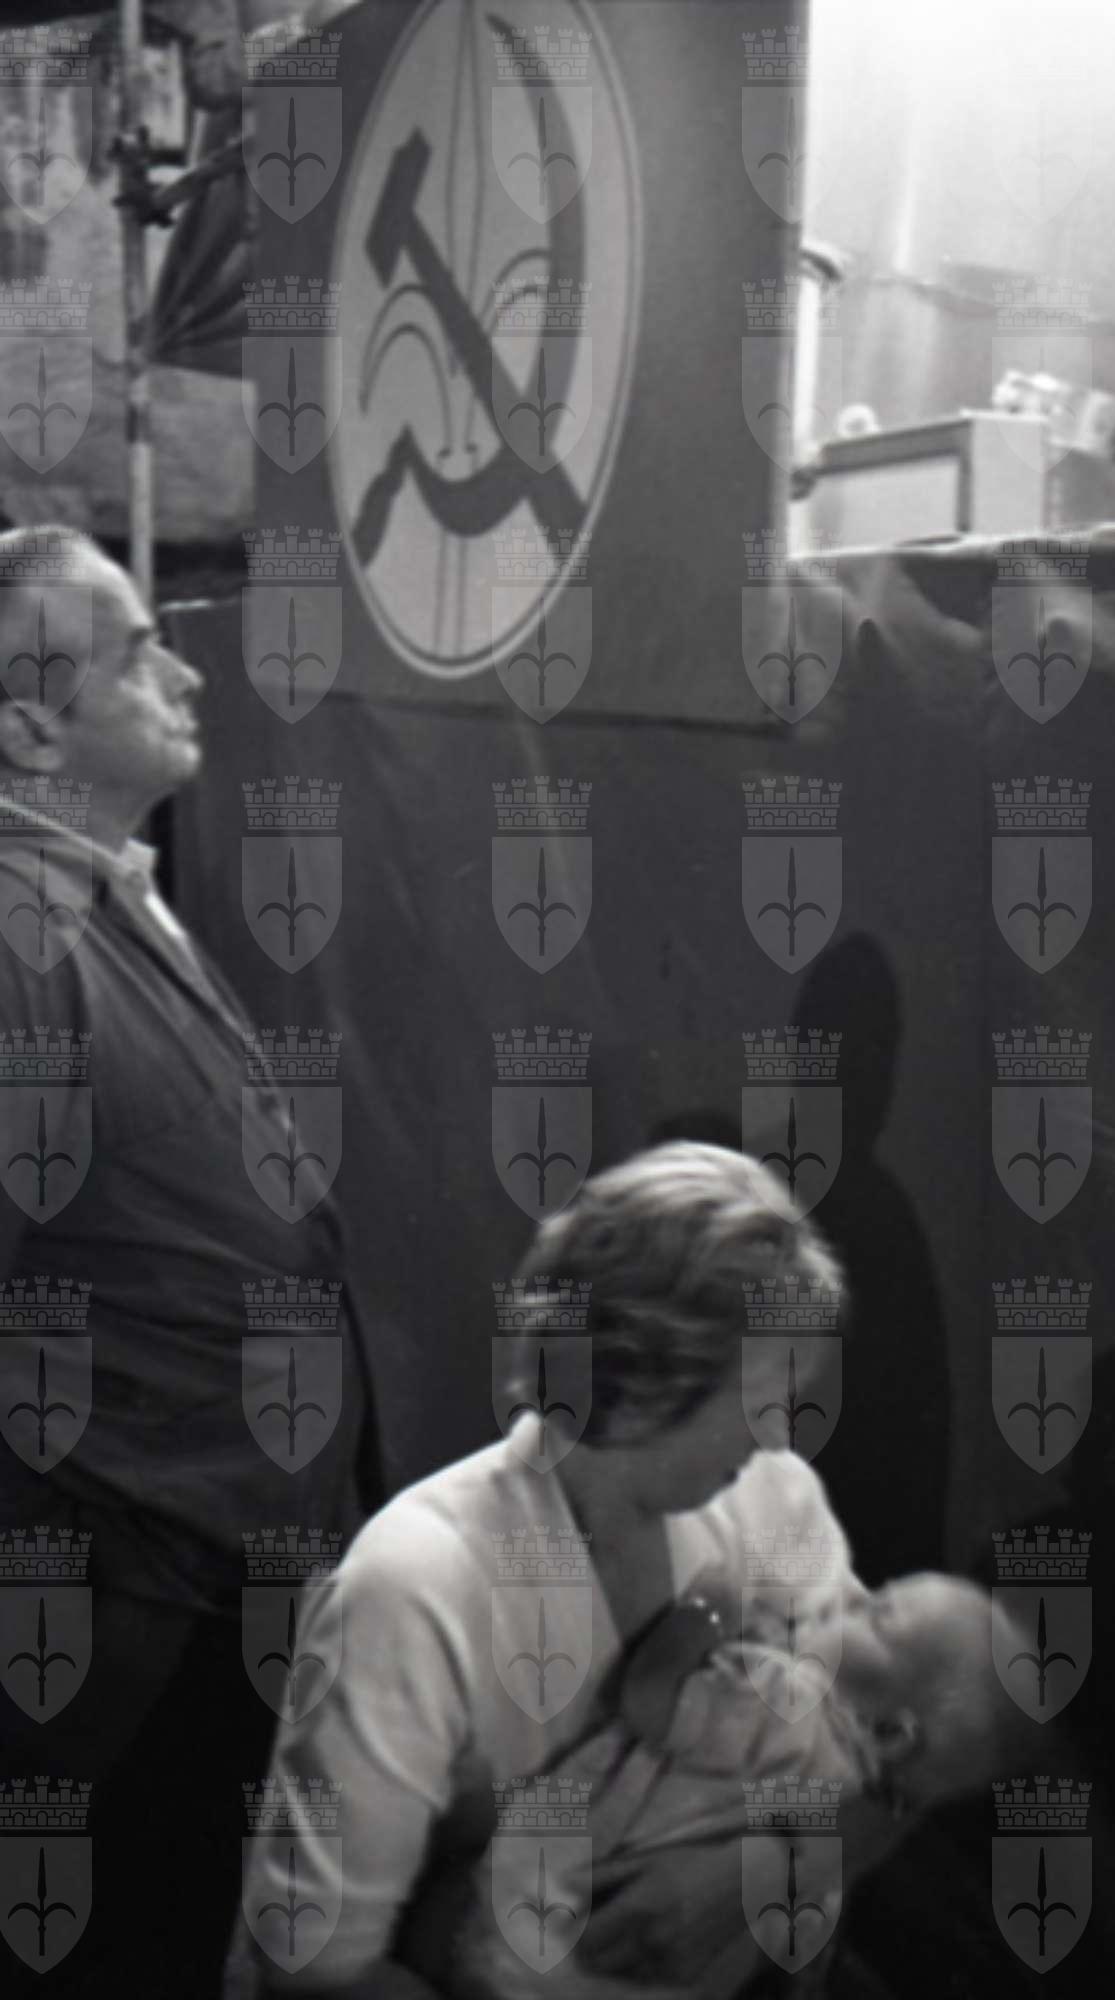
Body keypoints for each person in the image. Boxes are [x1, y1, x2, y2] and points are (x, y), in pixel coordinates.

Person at [244, 1143, 904, 1998]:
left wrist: (760, 1874)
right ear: (641, 1381)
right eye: (760, 1397)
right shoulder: (413, 1585)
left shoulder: (773, 1500)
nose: (779, 1434)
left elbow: (900, 1755)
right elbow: (319, 1969)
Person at [0, 527, 381, 1998]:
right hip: (126, 1617)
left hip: (191, 1592)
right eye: (138, 648)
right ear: (32, 728)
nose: (187, 671)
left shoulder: (94, 896)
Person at [458, 1572, 1022, 1999]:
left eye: (875, 1615)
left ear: (891, 1733)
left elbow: (651, 1701)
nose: (849, 1597)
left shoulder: (783, 1703)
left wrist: (708, 1609)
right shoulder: (839, 1838)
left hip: (532, 1930)